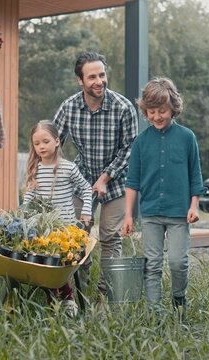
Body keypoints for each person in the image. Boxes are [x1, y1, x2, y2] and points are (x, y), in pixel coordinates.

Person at [53, 51, 139, 295]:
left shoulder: (123, 107)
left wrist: (105, 177)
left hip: (116, 182)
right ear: (80, 81)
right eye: (92, 77)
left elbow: (130, 149)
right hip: (82, 179)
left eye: (102, 75)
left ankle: (105, 294)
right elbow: (53, 142)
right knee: (77, 235)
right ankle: (81, 290)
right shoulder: (69, 107)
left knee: (109, 236)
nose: (99, 81)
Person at [121, 77, 205, 321]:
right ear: (145, 111)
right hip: (150, 214)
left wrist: (194, 206)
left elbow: (195, 175)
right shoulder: (140, 142)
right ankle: (154, 314)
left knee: (178, 262)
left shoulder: (187, 137)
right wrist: (128, 215)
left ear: (173, 108)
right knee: (152, 264)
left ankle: (179, 299)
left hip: (179, 213)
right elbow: (132, 182)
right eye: (152, 112)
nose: (157, 116)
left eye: (163, 111)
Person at [22, 120, 93, 317]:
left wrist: (86, 211)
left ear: (56, 141)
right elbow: (29, 195)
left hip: (66, 230)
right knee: (44, 264)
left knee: (60, 264)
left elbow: (87, 189)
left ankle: (68, 298)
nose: (41, 147)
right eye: (37, 143)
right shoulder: (34, 168)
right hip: (45, 228)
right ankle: (53, 300)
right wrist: (22, 211)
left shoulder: (67, 168)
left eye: (45, 141)